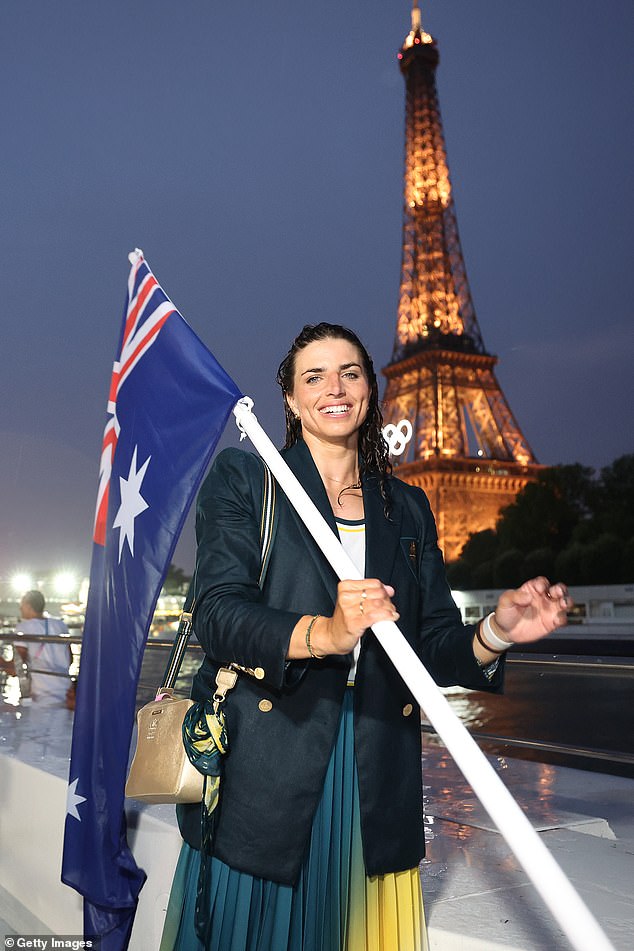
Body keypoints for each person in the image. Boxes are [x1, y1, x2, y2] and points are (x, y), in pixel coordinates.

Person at [160, 323, 570, 951]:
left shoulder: (405, 506)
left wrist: (498, 630)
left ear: (371, 392)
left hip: (375, 758)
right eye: (314, 376)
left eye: (350, 372)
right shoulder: (247, 481)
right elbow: (217, 614)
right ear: (292, 402)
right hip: (273, 753)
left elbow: (430, 645)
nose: (335, 387)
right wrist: (325, 632)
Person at [14, 590, 73, 705]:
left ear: (28, 606)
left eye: (21, 605)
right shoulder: (60, 625)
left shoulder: (23, 628)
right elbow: (70, 659)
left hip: (42, 694)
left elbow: (15, 667)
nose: (20, 608)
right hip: (66, 691)